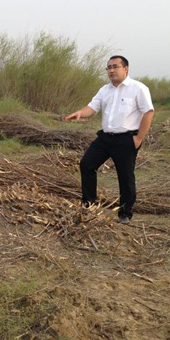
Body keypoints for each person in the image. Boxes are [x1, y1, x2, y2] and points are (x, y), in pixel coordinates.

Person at [65, 55, 154, 225]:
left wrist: (138, 139)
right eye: (108, 68)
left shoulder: (138, 88)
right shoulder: (104, 90)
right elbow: (92, 107)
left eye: (115, 67)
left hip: (126, 139)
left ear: (125, 69)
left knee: (125, 177)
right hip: (105, 138)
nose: (111, 71)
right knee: (87, 164)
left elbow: (148, 112)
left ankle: (125, 213)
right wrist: (80, 113)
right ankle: (89, 205)